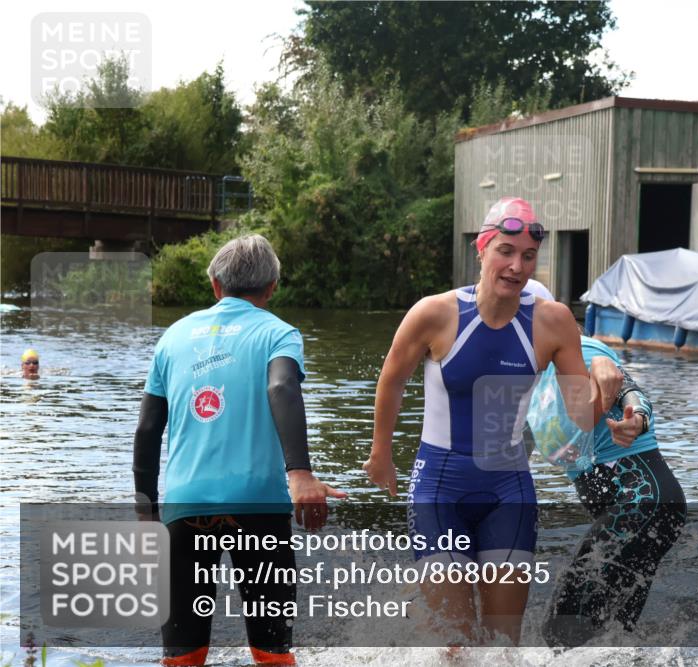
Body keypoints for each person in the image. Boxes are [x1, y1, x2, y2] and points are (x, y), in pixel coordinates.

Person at [363, 197, 621, 647]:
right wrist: (380, 454)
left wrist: (608, 395)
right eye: (505, 250)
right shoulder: (435, 313)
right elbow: (392, 380)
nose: (516, 266)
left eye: (528, 256)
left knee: (503, 646)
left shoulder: (553, 322)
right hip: (439, 487)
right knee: (455, 645)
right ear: (480, 250)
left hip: (508, 491)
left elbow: (577, 418)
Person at [133, 234, 346, 667]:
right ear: (271, 288)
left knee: (182, 654)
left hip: (185, 504)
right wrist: (300, 474)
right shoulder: (278, 333)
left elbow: (148, 428)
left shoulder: (173, 337)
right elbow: (282, 386)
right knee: (271, 652)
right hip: (258, 503)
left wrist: (146, 506)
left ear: (214, 284)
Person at [521, 280, 687, 647]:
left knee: (560, 631)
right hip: (637, 514)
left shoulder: (585, 350)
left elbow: (628, 389)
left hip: (644, 502)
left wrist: (635, 420)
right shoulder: (530, 388)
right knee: (610, 639)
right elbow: (510, 467)